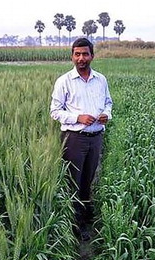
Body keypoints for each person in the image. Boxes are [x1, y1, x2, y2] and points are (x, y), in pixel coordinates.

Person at [50, 38, 113, 241]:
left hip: (96, 138)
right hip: (74, 139)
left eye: (85, 54)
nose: (81, 58)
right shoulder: (64, 81)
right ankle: (74, 225)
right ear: (72, 56)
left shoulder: (101, 79)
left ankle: (85, 218)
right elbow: (55, 111)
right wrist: (78, 117)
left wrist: (106, 114)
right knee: (73, 182)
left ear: (92, 56)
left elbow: (108, 102)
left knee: (88, 180)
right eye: (77, 54)